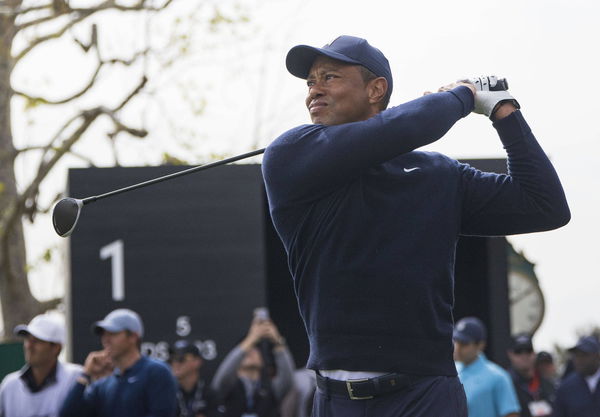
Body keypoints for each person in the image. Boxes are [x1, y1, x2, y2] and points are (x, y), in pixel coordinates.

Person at [261, 35, 570, 417]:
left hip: (424, 397)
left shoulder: (437, 175)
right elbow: (406, 126)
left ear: (376, 89)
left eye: (329, 77)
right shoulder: (290, 155)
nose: (314, 91)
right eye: (310, 82)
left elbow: (545, 206)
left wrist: (503, 112)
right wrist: (461, 96)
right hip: (337, 400)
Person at [59, 308, 177, 417]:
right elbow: (67, 415)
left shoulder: (156, 372)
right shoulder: (104, 385)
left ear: (133, 337)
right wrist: (85, 375)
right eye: (103, 334)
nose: (106, 339)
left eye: (113, 333)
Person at [211, 314, 295, 417]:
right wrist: (251, 339)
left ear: (263, 358)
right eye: (247, 348)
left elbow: (288, 378)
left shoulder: (269, 387)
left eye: (255, 348)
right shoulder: (229, 386)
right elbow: (223, 376)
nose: (250, 351)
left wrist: (277, 341)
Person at [0, 313, 82, 417]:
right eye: (27, 339)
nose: (29, 346)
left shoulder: (75, 378)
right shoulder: (9, 385)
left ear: (56, 348)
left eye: (36, 341)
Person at [453, 317, 520, 417]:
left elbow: (511, 414)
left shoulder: (498, 377)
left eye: (464, 343)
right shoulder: (451, 372)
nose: (457, 348)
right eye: (456, 341)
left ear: (480, 345)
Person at [169, 339, 222, 417]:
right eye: (171, 360)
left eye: (180, 359)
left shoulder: (210, 394)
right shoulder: (167, 394)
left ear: (197, 362)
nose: (175, 363)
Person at [507, 334, 555, 417]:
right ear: (510, 354)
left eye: (528, 351)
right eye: (518, 352)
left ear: (534, 354)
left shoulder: (548, 385)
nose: (524, 356)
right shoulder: (505, 384)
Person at [552, 335, 600, 417]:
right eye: (576, 355)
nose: (579, 359)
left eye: (584, 355)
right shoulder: (565, 388)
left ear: (597, 356)